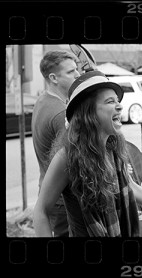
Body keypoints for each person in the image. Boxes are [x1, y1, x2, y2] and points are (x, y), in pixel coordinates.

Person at [33, 71, 142, 237]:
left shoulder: (113, 149)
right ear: (88, 113)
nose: (119, 106)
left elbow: (132, 186)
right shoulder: (66, 157)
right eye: (110, 101)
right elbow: (41, 212)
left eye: (118, 101)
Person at [31, 50, 81, 237]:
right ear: (53, 78)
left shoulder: (43, 99)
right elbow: (74, 161)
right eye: (70, 72)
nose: (77, 75)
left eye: (76, 69)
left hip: (48, 191)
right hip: (63, 198)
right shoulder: (61, 114)